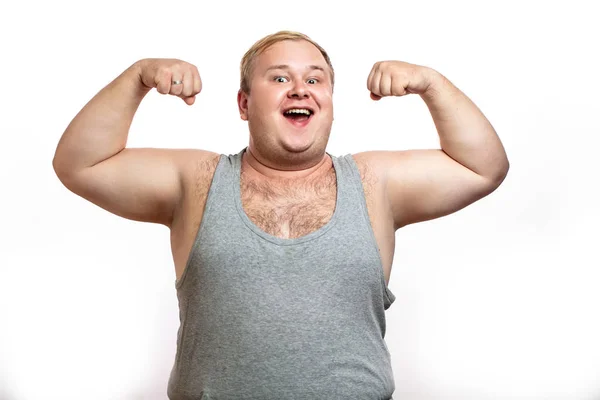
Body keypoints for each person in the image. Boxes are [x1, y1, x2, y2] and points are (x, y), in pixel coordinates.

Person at [52, 30, 509, 399]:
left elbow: (483, 167)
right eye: (279, 78)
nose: (300, 89)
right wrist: (137, 78)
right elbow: (79, 164)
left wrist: (431, 83)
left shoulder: (375, 182)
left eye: (314, 80)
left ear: (330, 101)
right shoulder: (197, 179)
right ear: (244, 104)